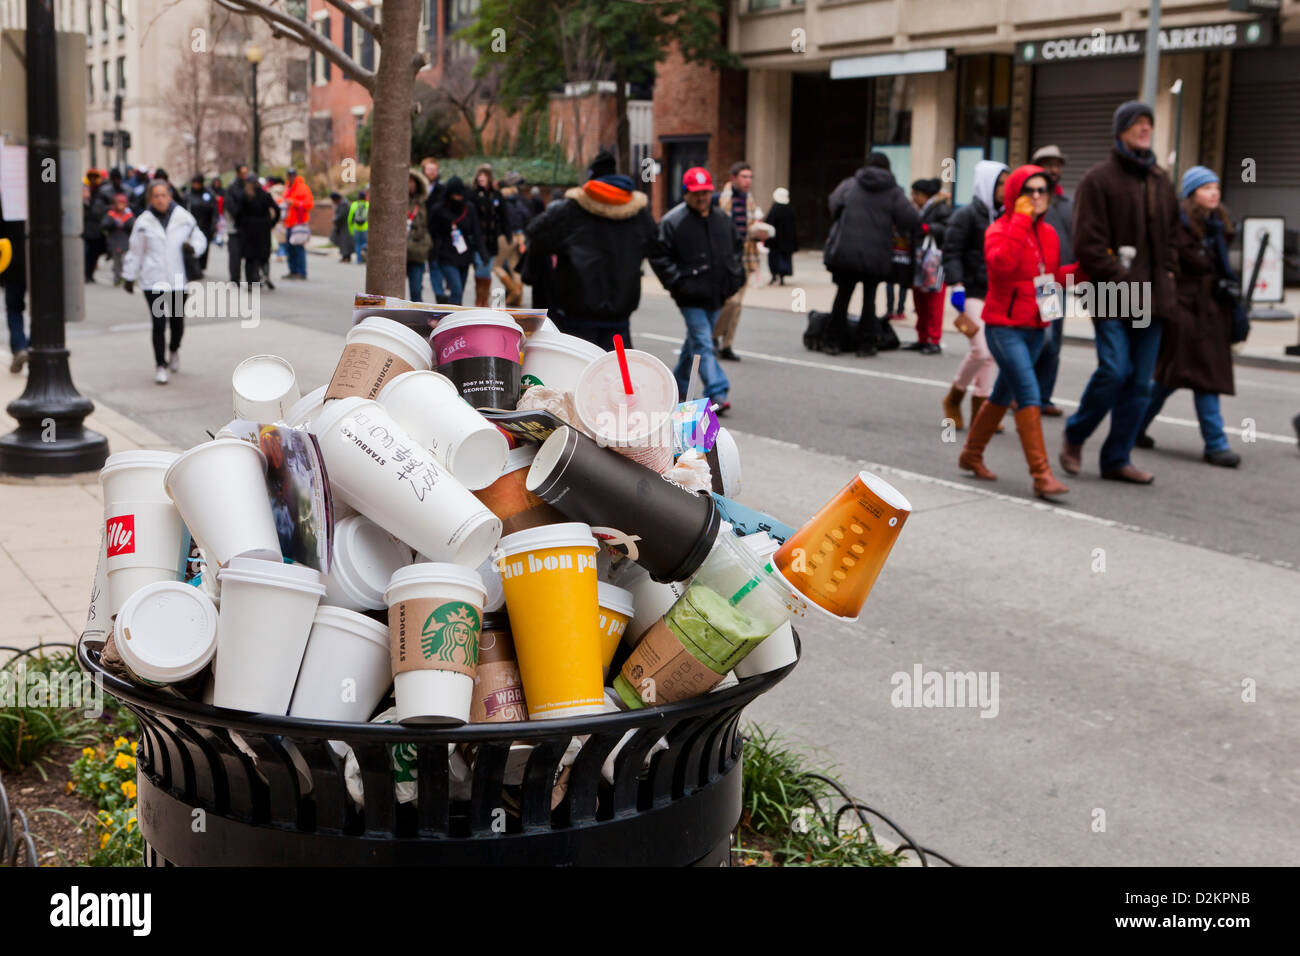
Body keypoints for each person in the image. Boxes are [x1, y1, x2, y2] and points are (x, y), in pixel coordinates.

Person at [1061, 101, 1179, 485]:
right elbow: (1087, 244)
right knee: (1114, 370)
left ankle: (1117, 458)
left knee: (1140, 383)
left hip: (1152, 296)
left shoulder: (1161, 179)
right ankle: (1075, 435)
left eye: (1149, 123)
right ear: (1120, 130)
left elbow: (1173, 237)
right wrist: (1123, 279)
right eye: (1137, 124)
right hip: (1112, 290)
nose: (1145, 129)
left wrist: (1170, 273)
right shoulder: (1099, 179)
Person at [957, 165, 1077, 500]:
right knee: (1028, 392)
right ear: (1014, 195)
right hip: (1004, 327)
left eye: (1042, 191)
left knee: (1000, 394)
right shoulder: (999, 229)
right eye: (1029, 191)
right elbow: (1002, 265)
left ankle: (970, 454)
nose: (1037, 197)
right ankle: (1042, 475)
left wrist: (1085, 272)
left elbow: (1049, 279)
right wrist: (1021, 220)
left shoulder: (1050, 234)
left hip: (1036, 328)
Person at [1136, 167, 1241, 468]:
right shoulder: (1179, 226)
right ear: (1192, 193)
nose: (1214, 193)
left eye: (1216, 187)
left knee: (1175, 379)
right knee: (1193, 378)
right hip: (1184, 311)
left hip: (1211, 312)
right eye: (1207, 188)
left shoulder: (1218, 225)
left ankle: (1136, 427)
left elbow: (1221, 268)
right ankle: (1216, 444)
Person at [525, 148, 657, 350]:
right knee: (614, 374)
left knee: (579, 373)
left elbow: (536, 233)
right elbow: (655, 245)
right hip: (620, 314)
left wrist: (544, 285)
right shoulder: (638, 213)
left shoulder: (571, 210)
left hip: (578, 312)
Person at [648, 166, 745, 415]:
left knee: (695, 342)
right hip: (689, 295)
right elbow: (659, 256)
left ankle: (676, 386)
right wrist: (678, 282)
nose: (702, 197)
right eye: (696, 192)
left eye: (705, 192)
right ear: (686, 193)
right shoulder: (673, 221)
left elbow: (736, 248)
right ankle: (717, 391)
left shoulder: (721, 219)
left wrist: (735, 276)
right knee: (703, 341)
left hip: (717, 292)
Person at [821, 152, 920, 356]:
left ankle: (832, 341)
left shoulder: (850, 184)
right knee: (870, 299)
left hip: (846, 251)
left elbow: (833, 204)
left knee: (843, 295)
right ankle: (866, 343)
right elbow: (909, 218)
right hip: (876, 254)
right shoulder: (893, 191)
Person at [941, 160, 1007, 430]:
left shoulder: (1006, 216)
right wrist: (956, 285)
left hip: (995, 294)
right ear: (987, 184)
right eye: (1000, 183)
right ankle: (954, 398)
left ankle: (981, 409)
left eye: (1007, 183)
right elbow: (951, 252)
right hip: (969, 293)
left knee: (991, 354)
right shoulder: (965, 215)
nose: (1005, 189)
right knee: (981, 350)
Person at [121, 180, 207, 384]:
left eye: (164, 195)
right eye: (156, 196)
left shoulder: (183, 218)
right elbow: (136, 251)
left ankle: (174, 349)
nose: (161, 199)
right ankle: (160, 365)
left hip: (178, 280)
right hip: (154, 280)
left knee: (177, 322)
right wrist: (129, 275)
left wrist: (193, 248)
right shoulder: (143, 222)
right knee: (158, 323)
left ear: (170, 196)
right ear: (150, 199)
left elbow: (199, 238)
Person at [1031, 145, 1074, 416]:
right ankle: (1026, 394)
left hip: (1061, 280)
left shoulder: (1067, 203)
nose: (1054, 170)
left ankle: (1043, 397)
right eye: (1048, 164)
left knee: (1054, 341)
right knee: (1041, 339)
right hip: (1039, 279)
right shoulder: (1032, 201)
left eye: (1057, 164)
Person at [712, 161, 761, 361]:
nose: (748, 181)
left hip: (744, 258)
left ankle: (727, 345)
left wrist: (760, 234)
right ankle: (712, 336)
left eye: (750, 177)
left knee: (738, 304)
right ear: (733, 178)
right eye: (744, 176)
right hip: (723, 259)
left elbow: (749, 229)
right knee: (728, 302)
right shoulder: (719, 200)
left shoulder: (750, 201)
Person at [903, 177, 951, 354]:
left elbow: (947, 229)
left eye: (915, 194)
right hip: (920, 261)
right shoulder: (919, 209)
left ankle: (934, 339)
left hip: (935, 263)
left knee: (934, 303)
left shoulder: (941, 208)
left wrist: (927, 228)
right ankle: (922, 337)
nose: (913, 197)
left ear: (924, 195)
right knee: (920, 302)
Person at [429, 176, 486, 305]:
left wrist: (483, 254)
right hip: (445, 254)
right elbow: (432, 230)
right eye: (455, 195)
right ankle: (451, 318)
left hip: (464, 254)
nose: (458, 198)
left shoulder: (468, 208)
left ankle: (454, 315)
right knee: (457, 290)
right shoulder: (439, 209)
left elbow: (476, 231)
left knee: (460, 291)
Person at [235, 177, 279, 285]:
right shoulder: (265, 195)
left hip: (248, 230)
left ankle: (251, 281)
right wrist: (271, 223)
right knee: (261, 256)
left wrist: (240, 225)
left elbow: (238, 213)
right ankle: (261, 277)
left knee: (249, 258)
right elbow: (277, 210)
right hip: (263, 229)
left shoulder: (245, 196)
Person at [469, 164, 503, 306]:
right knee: (481, 268)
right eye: (480, 175)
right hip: (478, 239)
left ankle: (484, 299)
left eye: (485, 175)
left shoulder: (496, 195)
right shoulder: (473, 195)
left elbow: (502, 215)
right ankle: (480, 299)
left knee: (487, 270)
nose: (482, 178)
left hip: (492, 240)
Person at [496, 172, 531, 307]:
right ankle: (517, 302)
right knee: (515, 268)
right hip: (521, 236)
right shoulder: (523, 201)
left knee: (497, 266)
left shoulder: (502, 201)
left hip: (507, 237)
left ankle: (514, 292)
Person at [1, 199, 27, 373]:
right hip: (37, 261)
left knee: (13, 308)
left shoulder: (7, 201)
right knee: (43, 308)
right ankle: (30, 347)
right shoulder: (37, 196)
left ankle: (20, 347)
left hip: (11, 263)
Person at [421, 157, 447, 300]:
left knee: (434, 263)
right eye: (429, 169)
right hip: (419, 232)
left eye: (434, 170)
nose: (431, 172)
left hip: (436, 232)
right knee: (418, 264)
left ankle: (439, 294)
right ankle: (417, 292)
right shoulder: (417, 188)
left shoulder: (442, 189)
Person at [281, 167, 314, 280]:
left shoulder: (302, 188)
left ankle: (301, 272)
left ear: (295, 176)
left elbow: (309, 204)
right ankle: (293, 271)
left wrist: (294, 202)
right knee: (289, 248)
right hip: (289, 223)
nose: (291, 177)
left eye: (292, 175)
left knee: (298, 248)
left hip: (298, 223)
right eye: (289, 175)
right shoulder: (287, 189)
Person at [406, 169, 433, 301]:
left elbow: (427, 226)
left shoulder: (423, 203)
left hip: (417, 252)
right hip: (398, 252)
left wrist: (425, 245)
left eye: (412, 182)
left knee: (416, 291)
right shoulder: (395, 202)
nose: (409, 185)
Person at [183, 174, 217, 275]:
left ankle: (201, 267)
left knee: (204, 247)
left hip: (205, 225)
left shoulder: (208, 194)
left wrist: (214, 224)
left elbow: (214, 210)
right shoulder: (188, 195)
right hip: (191, 226)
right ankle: (194, 267)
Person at [101, 192, 135, 287]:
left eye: (122, 204)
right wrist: (113, 223)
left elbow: (133, 226)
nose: (121, 206)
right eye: (119, 203)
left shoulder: (128, 215)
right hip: (114, 241)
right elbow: (104, 225)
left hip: (125, 241)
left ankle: (126, 277)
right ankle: (117, 277)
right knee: (117, 261)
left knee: (126, 260)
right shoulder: (111, 215)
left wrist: (126, 224)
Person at [225, 163, 251, 282]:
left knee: (250, 256)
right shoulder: (232, 187)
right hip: (234, 227)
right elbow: (230, 206)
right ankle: (235, 279)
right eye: (243, 173)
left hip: (248, 227)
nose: (245, 175)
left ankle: (252, 279)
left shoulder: (249, 185)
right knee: (235, 255)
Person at [765, 187, 796, 285]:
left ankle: (774, 276)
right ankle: (782, 277)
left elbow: (769, 222)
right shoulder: (790, 209)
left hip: (775, 240)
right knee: (784, 258)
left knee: (774, 258)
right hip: (786, 240)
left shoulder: (775, 208)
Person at [83, 169, 108, 282]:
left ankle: (90, 274)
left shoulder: (101, 193)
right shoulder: (83, 193)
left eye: (95, 177)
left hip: (97, 229)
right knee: (87, 253)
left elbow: (104, 208)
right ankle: (86, 274)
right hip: (86, 229)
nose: (93, 179)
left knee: (95, 253)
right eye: (91, 177)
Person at [329, 191, 354, 262]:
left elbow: (341, 215)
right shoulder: (343, 202)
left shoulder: (343, 204)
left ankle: (346, 256)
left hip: (345, 226)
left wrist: (334, 220)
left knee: (344, 242)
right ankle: (345, 256)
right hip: (343, 226)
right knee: (343, 242)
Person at [348, 189, 370, 263]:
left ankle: (359, 260)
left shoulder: (354, 204)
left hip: (356, 228)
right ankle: (364, 256)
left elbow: (350, 219)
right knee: (365, 243)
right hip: (365, 228)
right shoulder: (367, 205)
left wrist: (351, 230)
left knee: (357, 244)